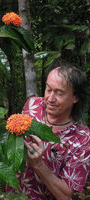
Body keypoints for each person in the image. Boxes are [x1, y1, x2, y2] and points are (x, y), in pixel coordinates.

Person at [6, 63, 90, 200]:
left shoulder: (83, 139)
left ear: (75, 97)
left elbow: (66, 196)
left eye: (59, 93)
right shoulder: (32, 105)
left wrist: (39, 165)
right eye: (48, 89)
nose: (50, 99)